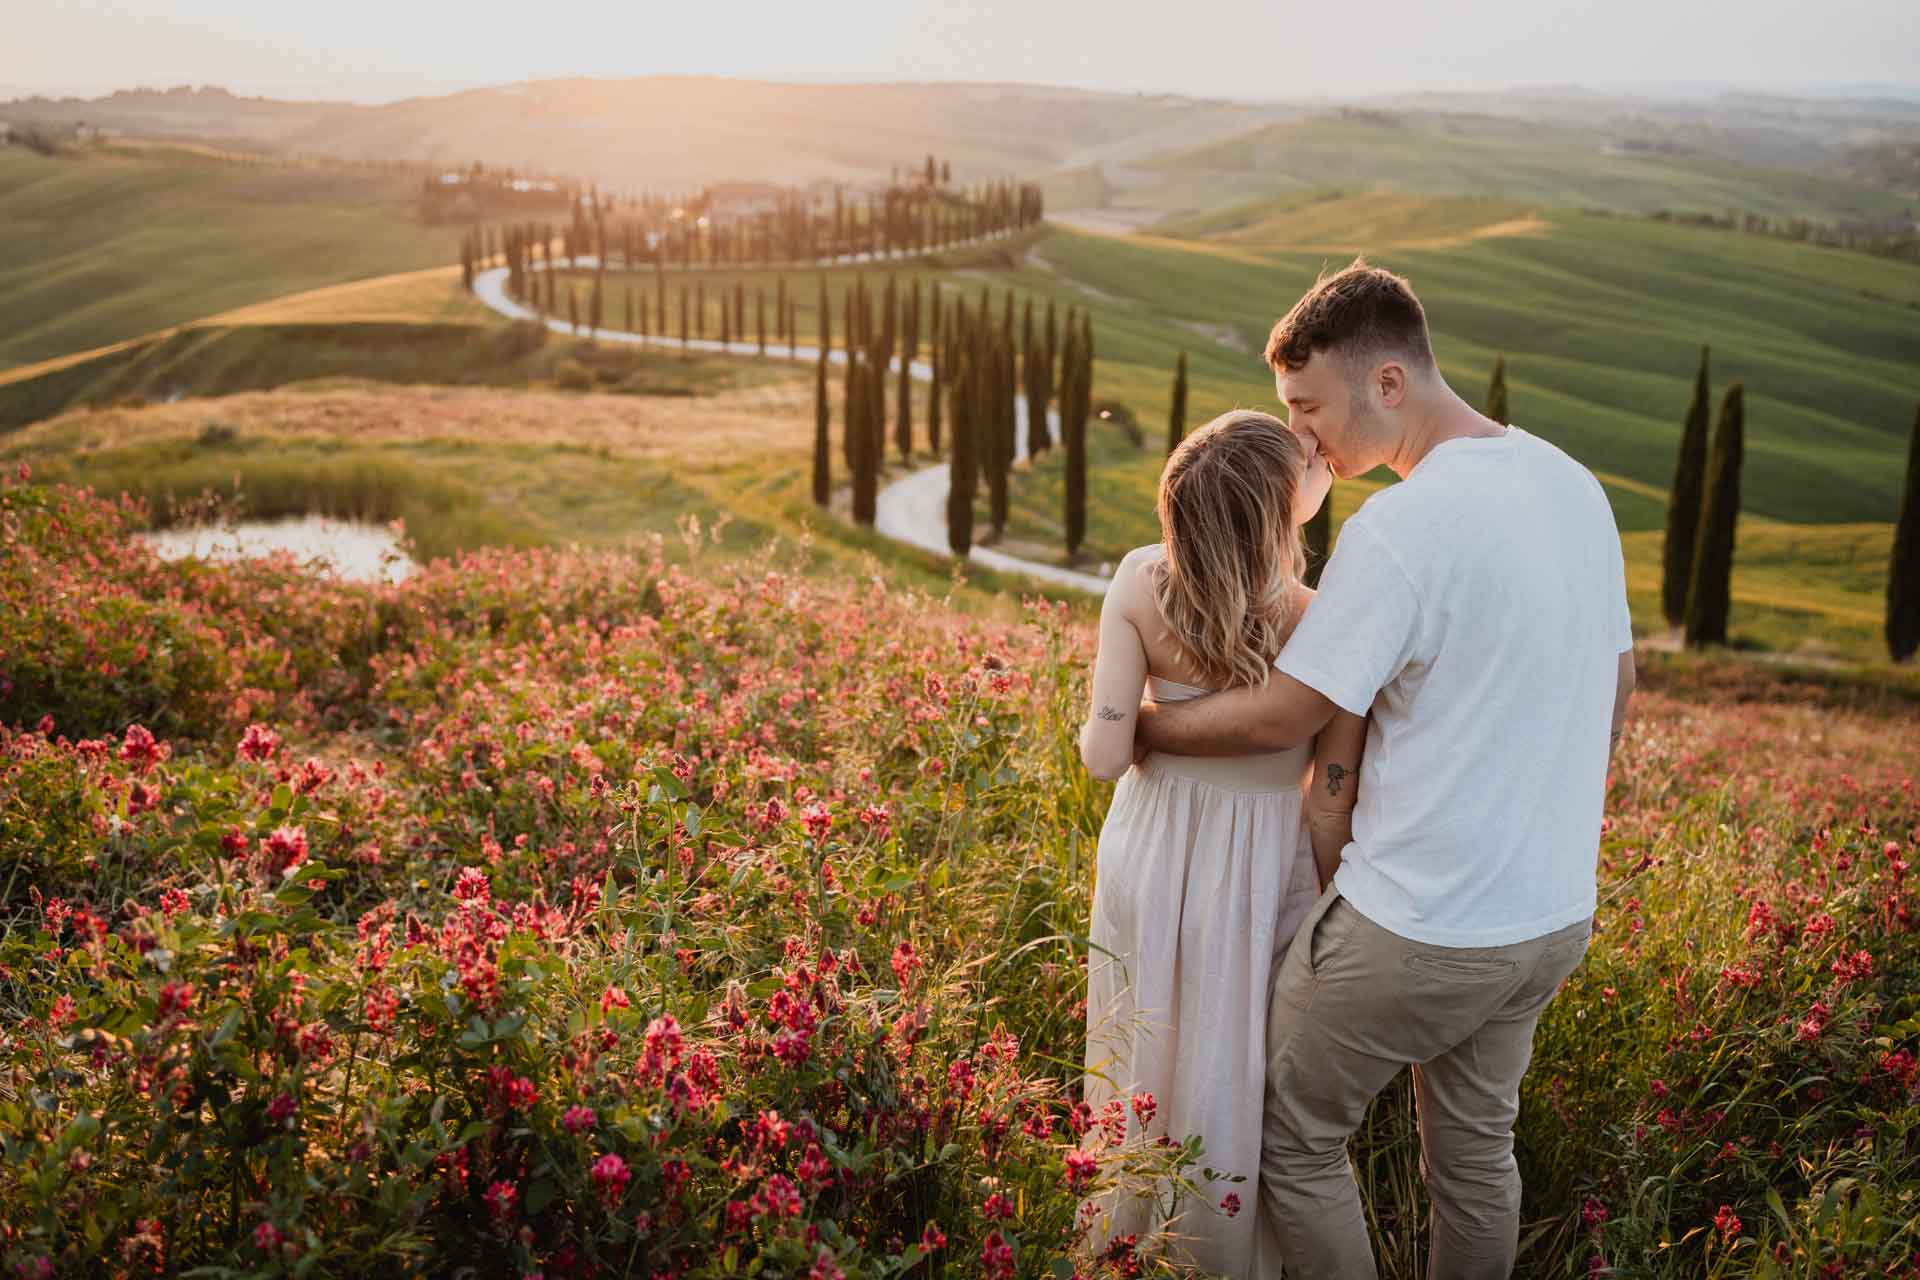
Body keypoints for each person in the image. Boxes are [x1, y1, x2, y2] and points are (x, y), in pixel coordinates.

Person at [1135, 260, 1636, 1280]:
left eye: (1309, 406)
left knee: (1287, 1130)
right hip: (1547, 917)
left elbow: (1291, 710)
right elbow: (1619, 686)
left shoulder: (1398, 531)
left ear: (1389, 384)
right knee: (1475, 1156)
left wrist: (1151, 727)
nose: (1302, 438)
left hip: (1418, 923)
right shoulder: (1570, 483)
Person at [1078, 410, 1365, 1276]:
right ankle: (1217, 1246)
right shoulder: (1327, 618)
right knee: (1236, 1054)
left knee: (1137, 1037)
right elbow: (1331, 797)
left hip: (1151, 844)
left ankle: (1122, 1230)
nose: (1318, 457)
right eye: (1305, 461)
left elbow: (1101, 755)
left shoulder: (1139, 579)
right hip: (1264, 863)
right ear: (1283, 510)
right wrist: (1315, 897)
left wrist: (1142, 722)